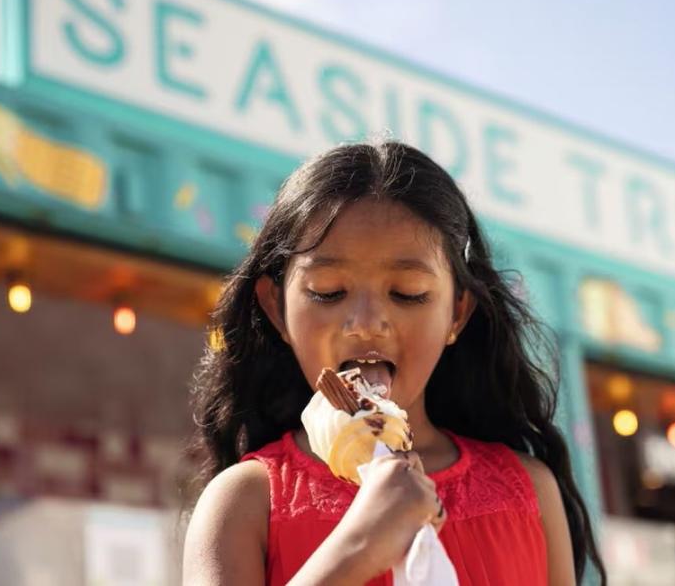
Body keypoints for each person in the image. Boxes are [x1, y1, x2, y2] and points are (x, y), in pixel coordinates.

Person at [182, 141, 605, 585]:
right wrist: (356, 550)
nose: (366, 324)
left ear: (457, 313)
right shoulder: (245, 503)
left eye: (408, 293)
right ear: (276, 309)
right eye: (328, 291)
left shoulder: (529, 491)